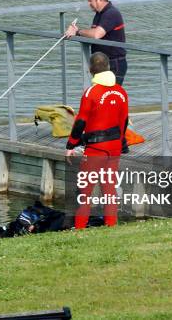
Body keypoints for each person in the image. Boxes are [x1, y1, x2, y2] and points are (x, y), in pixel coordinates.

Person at [65, 52, 129, 228]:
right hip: (115, 146)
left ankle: (79, 228)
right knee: (109, 189)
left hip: (95, 148)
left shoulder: (91, 93)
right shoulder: (121, 92)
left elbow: (80, 121)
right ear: (109, 67)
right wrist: (121, 143)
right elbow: (123, 121)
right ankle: (111, 225)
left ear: (91, 70)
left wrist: (71, 144)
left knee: (84, 191)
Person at [65, 0, 127, 85]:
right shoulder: (100, 14)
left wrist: (77, 32)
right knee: (101, 97)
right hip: (102, 63)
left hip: (114, 63)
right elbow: (92, 33)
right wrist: (76, 32)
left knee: (110, 97)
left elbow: (96, 34)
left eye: (90, 1)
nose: (89, 4)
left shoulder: (111, 13)